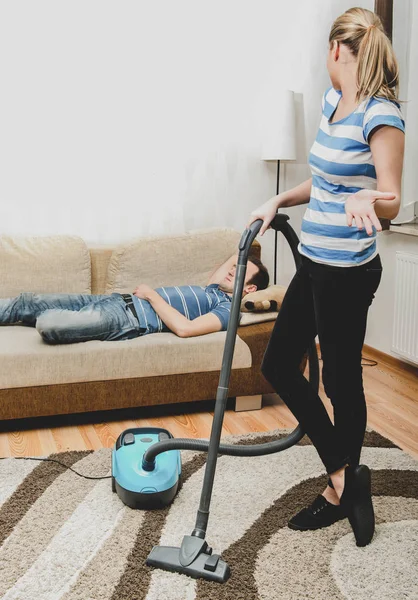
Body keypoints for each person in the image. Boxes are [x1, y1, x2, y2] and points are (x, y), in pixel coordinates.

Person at [247, 7, 405, 547]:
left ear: (338, 49)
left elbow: (392, 198)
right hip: (313, 260)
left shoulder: (381, 116)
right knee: (278, 363)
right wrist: (277, 200)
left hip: (348, 274)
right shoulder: (334, 103)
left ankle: (340, 492)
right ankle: (346, 473)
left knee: (340, 383)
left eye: (326, 50)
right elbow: (324, 181)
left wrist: (372, 199)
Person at [0, 254, 269, 344]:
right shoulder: (214, 289)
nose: (233, 270)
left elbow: (186, 329)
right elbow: (236, 256)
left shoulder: (225, 308)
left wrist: (152, 296)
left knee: (49, 324)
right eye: (233, 269)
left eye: (239, 274)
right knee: (29, 301)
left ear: (250, 290)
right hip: (116, 300)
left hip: (127, 318)